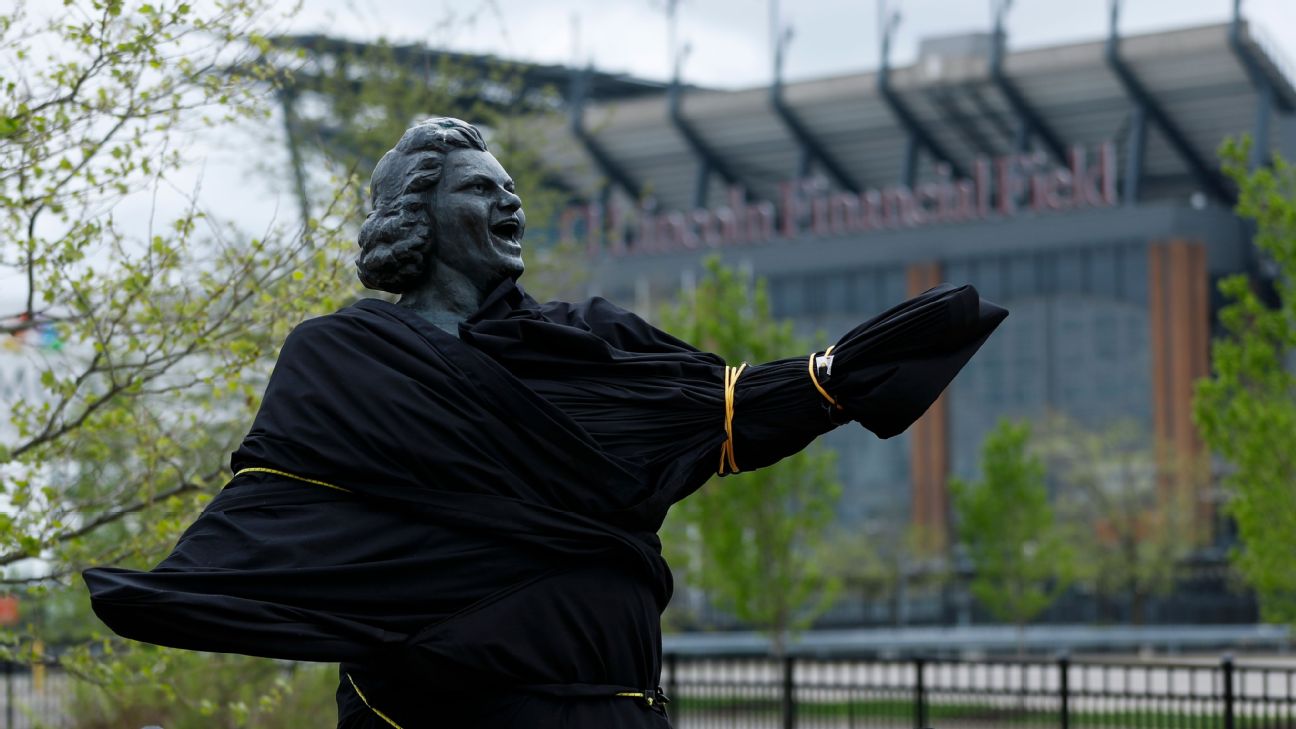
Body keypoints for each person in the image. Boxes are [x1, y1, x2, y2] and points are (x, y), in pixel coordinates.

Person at [85, 117, 1005, 728]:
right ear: (417, 215)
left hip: (616, 709)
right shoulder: (346, 356)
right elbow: (283, 509)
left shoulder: (589, 339)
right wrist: (182, 597)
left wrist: (839, 379)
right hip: (433, 714)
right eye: (482, 190)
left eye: (511, 187)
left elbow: (722, 412)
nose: (511, 203)